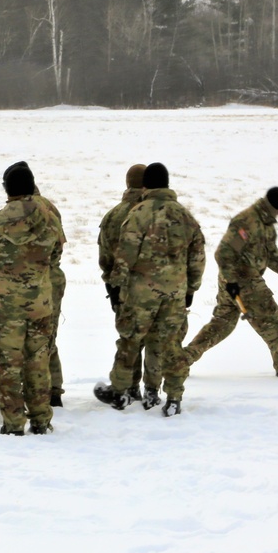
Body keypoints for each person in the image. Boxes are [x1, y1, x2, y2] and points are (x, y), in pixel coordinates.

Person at [94, 163, 205, 416]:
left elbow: (125, 255)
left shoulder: (138, 213)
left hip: (141, 293)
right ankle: (173, 396)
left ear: (146, 185)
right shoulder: (185, 215)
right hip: (175, 292)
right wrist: (191, 289)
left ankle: (120, 392)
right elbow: (197, 255)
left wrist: (116, 286)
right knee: (171, 345)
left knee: (130, 342)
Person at [0, 166, 62, 435]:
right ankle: (41, 421)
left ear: (7, 189)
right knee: (38, 363)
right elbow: (55, 256)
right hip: (41, 305)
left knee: (8, 366)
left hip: (7, 310)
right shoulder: (50, 218)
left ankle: (13, 424)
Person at [184, 187, 278, 377]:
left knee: (222, 324)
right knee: (273, 318)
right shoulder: (248, 223)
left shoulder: (266, 224)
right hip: (243, 280)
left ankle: (181, 360)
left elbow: (272, 257)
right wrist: (232, 281)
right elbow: (224, 253)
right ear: (271, 206)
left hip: (236, 281)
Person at [4, 161, 67, 407]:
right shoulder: (49, 208)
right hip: (51, 277)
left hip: (30, 281)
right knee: (47, 336)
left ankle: (27, 393)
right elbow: (59, 244)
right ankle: (53, 391)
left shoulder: (14, 213)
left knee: (22, 340)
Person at [97, 163, 155, 402]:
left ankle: (128, 388)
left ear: (127, 183)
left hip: (124, 289)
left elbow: (105, 257)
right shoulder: (157, 213)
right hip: (158, 288)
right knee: (154, 340)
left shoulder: (113, 215)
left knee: (129, 339)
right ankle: (152, 390)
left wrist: (111, 284)